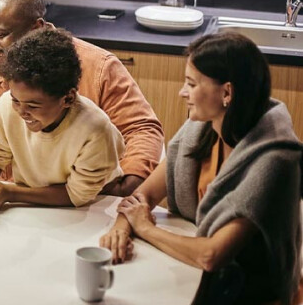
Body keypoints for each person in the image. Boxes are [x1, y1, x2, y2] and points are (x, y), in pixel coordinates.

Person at [99, 32, 302, 304]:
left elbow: (211, 255)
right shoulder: (201, 129)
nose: (182, 92)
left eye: (191, 84)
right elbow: (143, 195)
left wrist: (145, 229)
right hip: (192, 270)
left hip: (247, 292)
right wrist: (122, 227)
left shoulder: (275, 161)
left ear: (226, 92)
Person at [0, 0, 163, 196]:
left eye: (0, 34)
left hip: (79, 202)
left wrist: (128, 183)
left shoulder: (99, 67)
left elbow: (142, 130)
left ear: (37, 28)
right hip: (5, 198)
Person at [0, 28, 124, 208]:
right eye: (16, 100)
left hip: (94, 205)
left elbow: (75, 195)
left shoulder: (95, 129)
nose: (21, 111)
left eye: (33, 106)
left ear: (67, 98)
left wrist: (11, 193)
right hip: (34, 201)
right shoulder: (7, 106)